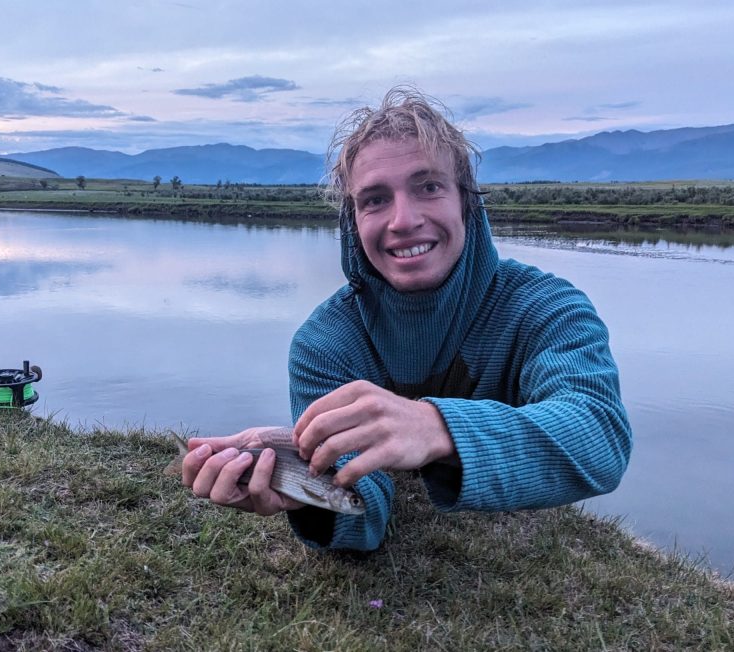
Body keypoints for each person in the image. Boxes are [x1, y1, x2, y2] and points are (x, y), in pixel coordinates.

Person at [181, 86, 632, 551]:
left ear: (467, 202)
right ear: (352, 222)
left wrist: (435, 426)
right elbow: (363, 499)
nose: (402, 220)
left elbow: (599, 436)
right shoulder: (323, 345)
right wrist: (307, 494)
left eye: (429, 187)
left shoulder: (547, 307)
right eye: (374, 199)